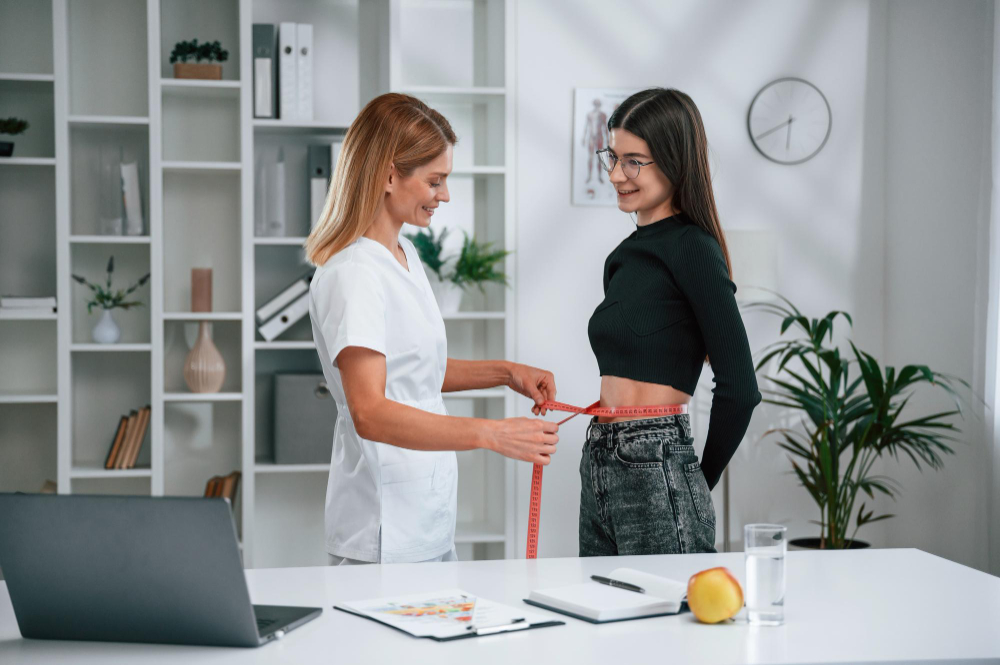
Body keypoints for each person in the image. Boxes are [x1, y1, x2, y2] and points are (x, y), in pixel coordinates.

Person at [305, 93, 559, 565]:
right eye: (435, 181)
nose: (445, 195)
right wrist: (491, 434)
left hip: (425, 514)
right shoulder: (354, 273)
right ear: (387, 175)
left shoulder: (405, 257)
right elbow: (371, 411)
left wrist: (505, 373)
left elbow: (414, 372)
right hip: (382, 527)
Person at [581, 88, 761, 556]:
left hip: (658, 458)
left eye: (634, 161)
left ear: (675, 160)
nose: (617, 175)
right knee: (600, 613)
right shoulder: (622, 257)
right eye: (613, 157)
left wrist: (696, 480)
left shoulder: (693, 248)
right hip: (600, 451)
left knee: (667, 622)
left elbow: (741, 388)